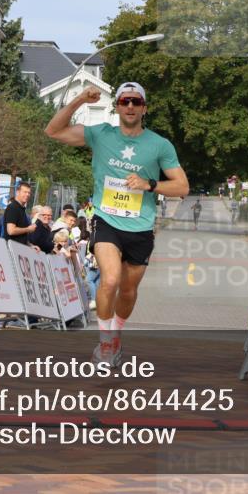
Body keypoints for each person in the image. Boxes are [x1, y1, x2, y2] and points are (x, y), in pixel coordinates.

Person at [45, 81, 189, 365]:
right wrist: (78, 101)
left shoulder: (159, 145)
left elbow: (182, 186)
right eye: (125, 101)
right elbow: (53, 131)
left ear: (144, 108)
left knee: (128, 290)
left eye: (136, 101)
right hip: (107, 220)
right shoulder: (101, 135)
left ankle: (117, 334)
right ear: (117, 106)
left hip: (141, 227)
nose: (131, 106)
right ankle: (105, 343)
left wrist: (149, 184)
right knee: (109, 279)